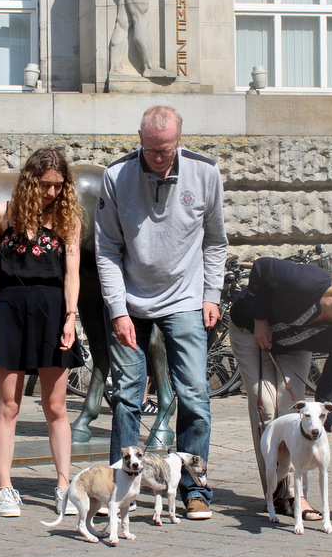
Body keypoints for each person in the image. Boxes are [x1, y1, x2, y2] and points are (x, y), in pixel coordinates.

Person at [94, 105, 228, 520]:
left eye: (165, 150)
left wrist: (211, 294)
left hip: (186, 299)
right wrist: (117, 310)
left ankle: (194, 488)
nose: (158, 157)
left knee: (195, 396)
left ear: (179, 141)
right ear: (138, 138)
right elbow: (107, 249)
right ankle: (118, 489)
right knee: (127, 397)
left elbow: (215, 241)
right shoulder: (116, 176)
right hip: (131, 301)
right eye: (150, 149)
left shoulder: (206, 174)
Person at [0, 148, 84, 518]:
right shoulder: (2, 213)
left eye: (58, 185)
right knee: (9, 405)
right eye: (45, 185)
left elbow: (73, 275)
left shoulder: (68, 219)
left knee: (56, 406)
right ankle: (4, 488)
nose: (52, 192)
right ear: (30, 181)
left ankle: (64, 485)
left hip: (53, 311)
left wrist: (71, 318)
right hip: (11, 309)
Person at [228, 257, 332, 520]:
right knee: (265, 406)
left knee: (292, 410)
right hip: (250, 329)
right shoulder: (306, 282)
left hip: (293, 347)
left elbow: (329, 392)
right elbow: (263, 268)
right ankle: (275, 495)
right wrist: (261, 320)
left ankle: (297, 497)